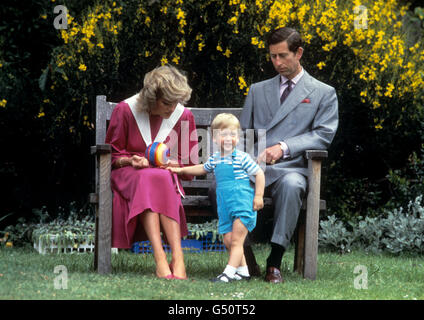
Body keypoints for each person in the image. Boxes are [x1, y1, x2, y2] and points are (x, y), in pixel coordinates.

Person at [240, 27, 339, 283]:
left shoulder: (323, 93)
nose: (277, 63)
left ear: (299, 53)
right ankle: (245, 257)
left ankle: (274, 261)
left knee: (293, 185)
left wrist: (284, 147)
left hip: (292, 168)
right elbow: (243, 134)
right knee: (217, 186)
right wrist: (245, 161)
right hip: (255, 167)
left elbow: (323, 135)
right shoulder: (257, 90)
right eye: (272, 56)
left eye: (283, 56)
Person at [105, 65, 198, 280]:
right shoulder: (126, 110)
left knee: (160, 176)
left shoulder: (183, 115)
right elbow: (112, 156)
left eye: (176, 102)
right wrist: (130, 159)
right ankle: (161, 258)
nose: (172, 107)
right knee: (152, 177)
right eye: (166, 102)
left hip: (164, 177)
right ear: (150, 98)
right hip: (129, 174)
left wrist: (175, 164)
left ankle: (177, 257)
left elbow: (189, 164)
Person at [168, 113, 265, 282]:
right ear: (214, 138)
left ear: (238, 137)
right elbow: (201, 168)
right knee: (228, 240)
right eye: (224, 134)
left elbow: (259, 174)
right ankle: (243, 271)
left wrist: (258, 196)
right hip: (225, 205)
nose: (228, 138)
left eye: (232, 134)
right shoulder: (216, 159)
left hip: (242, 203)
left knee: (236, 241)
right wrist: (181, 170)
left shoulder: (242, 158)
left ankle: (228, 273)